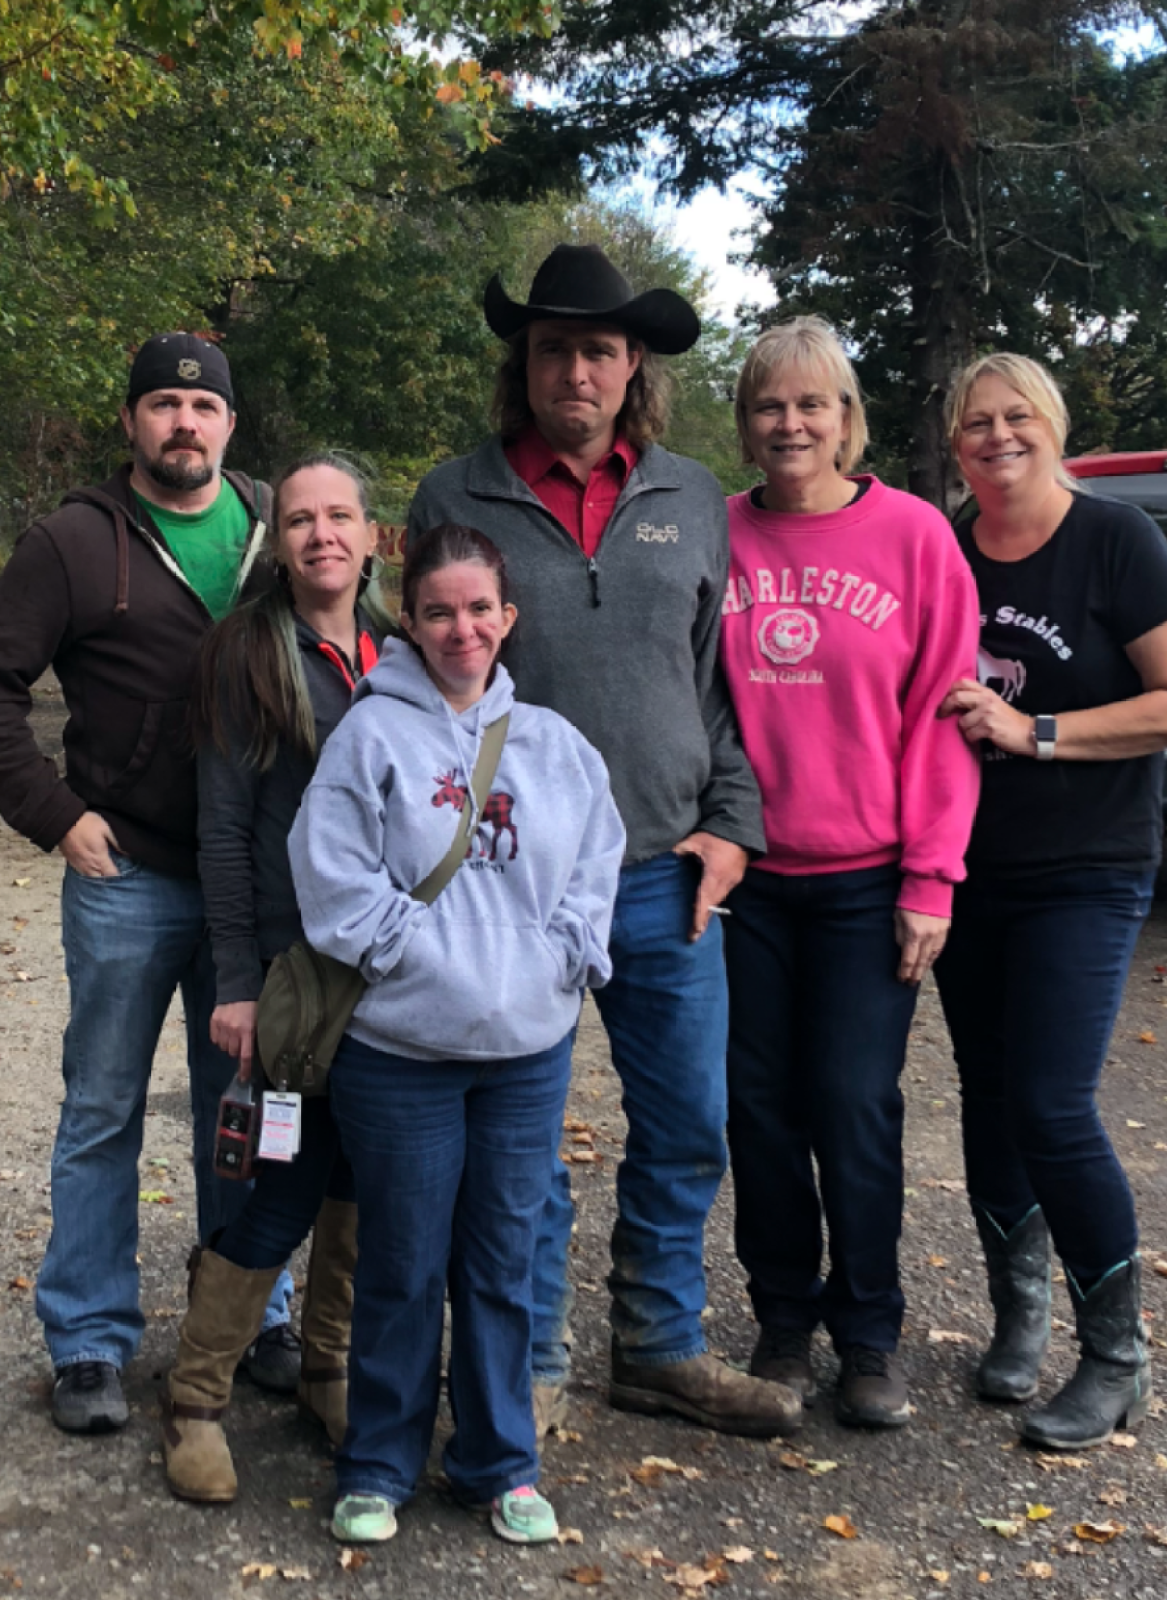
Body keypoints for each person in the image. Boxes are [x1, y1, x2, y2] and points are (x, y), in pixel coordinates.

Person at [406, 244, 802, 1441]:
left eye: (598, 349)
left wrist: (731, 827)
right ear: (521, 365)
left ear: (635, 367)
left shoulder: (690, 499)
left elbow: (716, 683)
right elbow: (427, 687)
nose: (574, 369)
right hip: (510, 885)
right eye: (552, 349)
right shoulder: (453, 495)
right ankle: (528, 1352)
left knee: (687, 1123)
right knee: (522, 1135)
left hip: (666, 873)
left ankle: (659, 1343)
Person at [286, 522, 625, 1546]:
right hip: (404, 1053)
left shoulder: (558, 747)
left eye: (480, 609)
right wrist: (422, 961)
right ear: (413, 621)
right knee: (400, 1258)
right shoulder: (370, 738)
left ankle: (498, 1459)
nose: (461, 628)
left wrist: (559, 957)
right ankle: (381, 1461)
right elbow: (334, 881)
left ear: (507, 618)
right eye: (439, 611)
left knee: (501, 1257)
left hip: (526, 1054)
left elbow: (594, 870)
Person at [0, 334, 296, 1434]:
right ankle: (86, 1336)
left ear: (229, 422)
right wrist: (57, 815)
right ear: (131, 420)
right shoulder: (71, 543)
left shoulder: (275, 529)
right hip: (125, 870)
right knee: (103, 1107)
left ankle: (248, 1314)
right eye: (163, 403)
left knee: (249, 1107)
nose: (184, 422)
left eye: (203, 405)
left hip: (247, 886)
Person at [719, 317, 980, 1427]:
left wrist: (933, 873)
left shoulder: (916, 537)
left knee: (855, 1107)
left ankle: (870, 1334)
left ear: (847, 418)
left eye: (812, 403)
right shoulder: (712, 533)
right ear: (746, 421)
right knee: (758, 1110)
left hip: (871, 876)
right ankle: (782, 1320)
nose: (791, 423)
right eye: (771, 404)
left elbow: (945, 717)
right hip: (743, 880)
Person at [936, 352, 1167, 1449]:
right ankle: (1019, 1315)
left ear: (1054, 424)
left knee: (1051, 1102)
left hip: (1085, 869)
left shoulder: (1114, 539)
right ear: (955, 443)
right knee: (989, 1098)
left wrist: (1035, 732)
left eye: (1017, 417)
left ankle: (1116, 1355)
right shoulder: (943, 543)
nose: (998, 437)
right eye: (976, 423)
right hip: (963, 869)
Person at [163, 452, 391, 1502]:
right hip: (289, 976)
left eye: (339, 514)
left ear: (371, 533)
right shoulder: (246, 655)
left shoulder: (406, 651)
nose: (321, 535)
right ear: (280, 540)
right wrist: (237, 981)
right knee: (278, 1180)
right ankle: (197, 1398)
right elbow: (220, 831)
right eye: (299, 519)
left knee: (354, 1179)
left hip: (388, 975)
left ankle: (326, 1364)